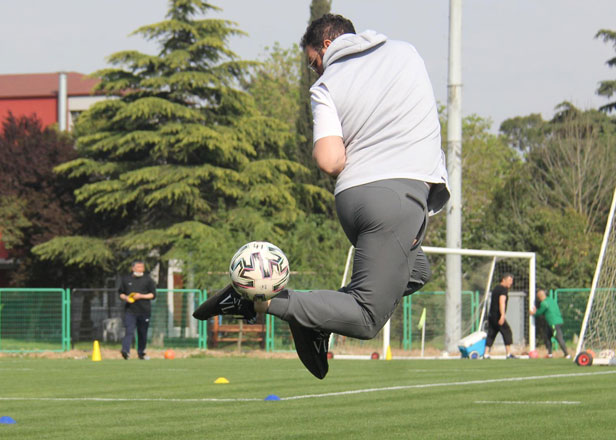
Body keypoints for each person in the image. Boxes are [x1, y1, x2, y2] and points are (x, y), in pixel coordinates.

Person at [194, 14, 449, 380]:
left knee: (417, 270)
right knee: (365, 318)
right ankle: (259, 302)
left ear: (327, 46)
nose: (316, 72)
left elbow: (330, 161)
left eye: (314, 62)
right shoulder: (406, 53)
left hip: (358, 199)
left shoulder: (327, 85)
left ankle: (311, 318)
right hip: (395, 200)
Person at [118, 260, 156, 360]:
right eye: (138, 267)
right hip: (130, 311)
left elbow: (153, 295)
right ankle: (125, 351)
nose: (140, 269)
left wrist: (141, 296)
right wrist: (126, 298)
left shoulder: (148, 280)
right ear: (133, 268)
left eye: (142, 267)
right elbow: (120, 293)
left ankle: (141, 352)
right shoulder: (126, 279)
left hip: (144, 311)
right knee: (129, 331)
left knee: (142, 332)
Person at [530, 289, 569, 358]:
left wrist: (534, 313)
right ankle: (550, 354)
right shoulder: (551, 300)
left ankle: (567, 354)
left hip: (553, 322)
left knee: (558, 337)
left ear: (540, 296)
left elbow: (540, 312)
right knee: (547, 336)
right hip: (556, 321)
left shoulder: (544, 303)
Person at [485, 274, 516, 358]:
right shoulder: (503, 290)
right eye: (509, 280)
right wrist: (502, 315)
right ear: (504, 280)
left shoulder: (496, 288)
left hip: (492, 315)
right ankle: (508, 354)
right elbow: (501, 302)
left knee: (491, 333)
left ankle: (486, 353)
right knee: (507, 332)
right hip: (498, 316)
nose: (511, 283)